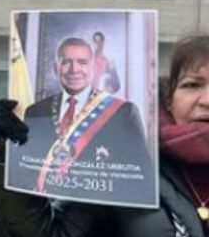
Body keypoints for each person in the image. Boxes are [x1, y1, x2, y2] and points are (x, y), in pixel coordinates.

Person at [0, 35, 209, 237]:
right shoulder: (125, 158)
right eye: (192, 84)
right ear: (169, 98)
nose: (206, 99)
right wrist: (12, 158)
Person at [12, 36, 151, 200]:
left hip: (99, 219)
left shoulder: (123, 113)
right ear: (56, 68)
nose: (74, 69)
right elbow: (22, 173)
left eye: (82, 62)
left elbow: (141, 179)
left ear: (94, 69)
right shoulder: (35, 112)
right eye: (66, 62)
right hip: (44, 216)